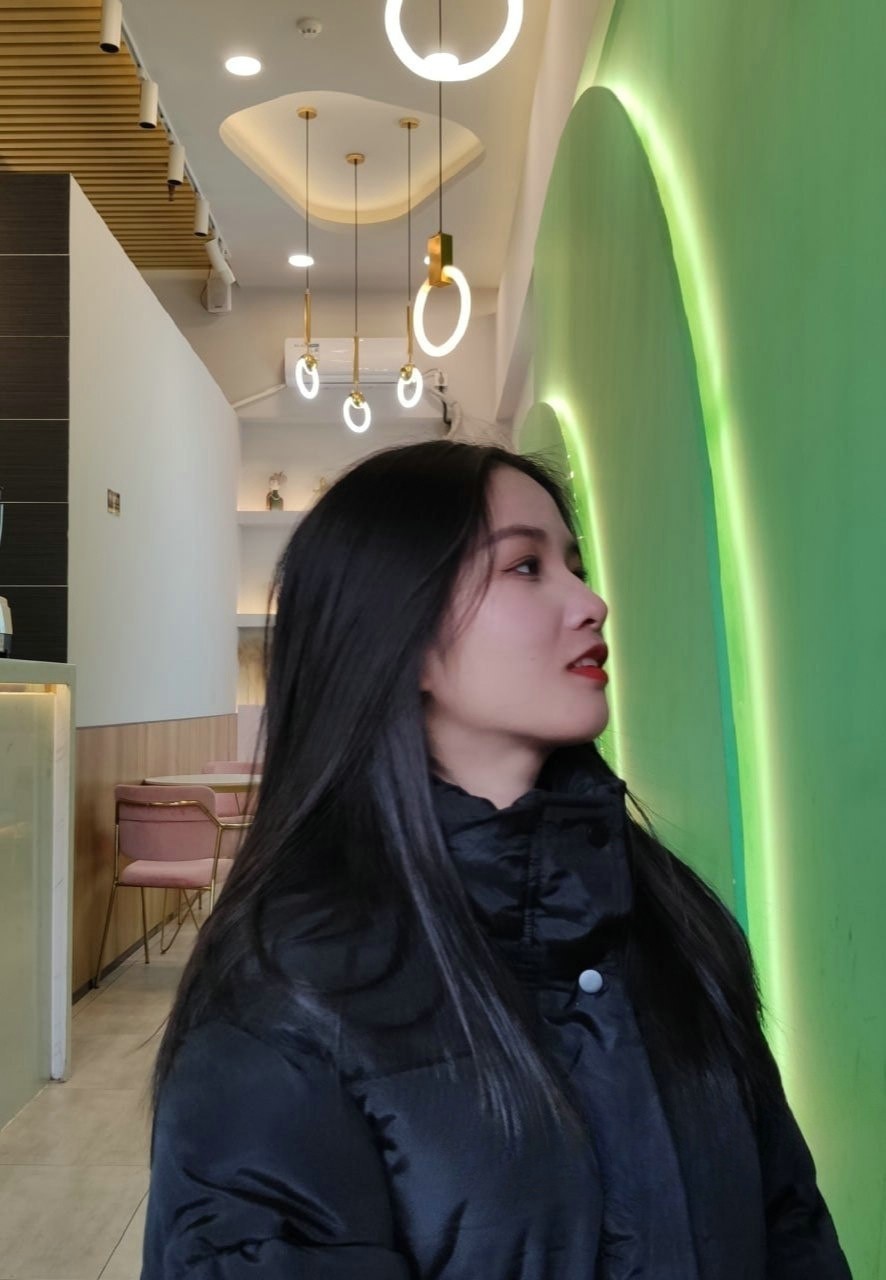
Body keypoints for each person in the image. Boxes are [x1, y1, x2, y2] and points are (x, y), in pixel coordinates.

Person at [143, 441, 851, 1278]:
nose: (591, 603)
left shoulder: (673, 917)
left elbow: (790, 1224)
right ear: (400, 630)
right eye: (525, 567)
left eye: (576, 567)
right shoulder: (286, 992)